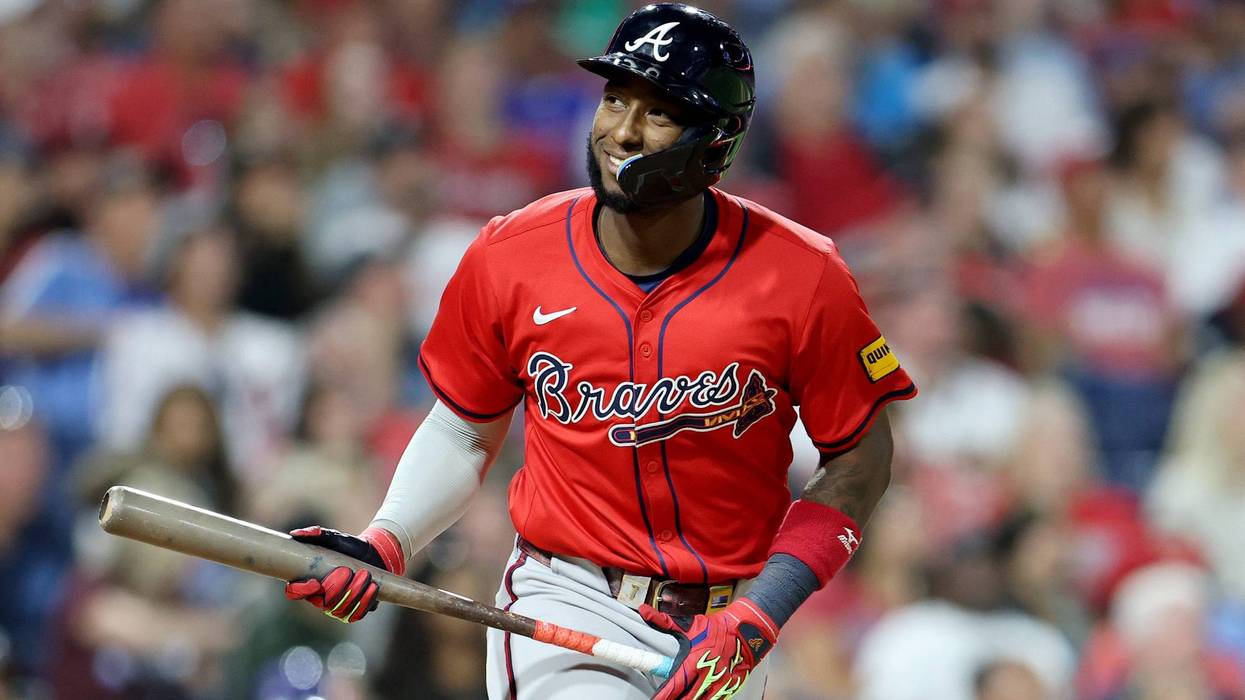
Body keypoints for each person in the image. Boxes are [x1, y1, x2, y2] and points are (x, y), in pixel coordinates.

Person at [282, 5, 916, 699]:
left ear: (717, 141)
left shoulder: (802, 274)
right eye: (615, 97)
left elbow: (859, 453)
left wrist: (761, 613)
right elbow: (465, 425)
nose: (621, 129)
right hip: (567, 597)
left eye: (658, 112)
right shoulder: (512, 254)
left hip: (725, 626)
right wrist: (388, 540)